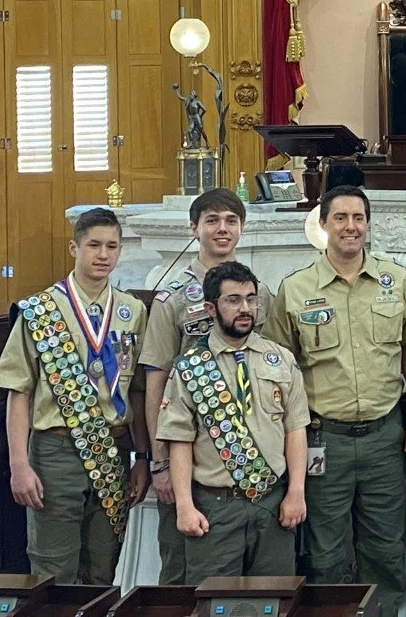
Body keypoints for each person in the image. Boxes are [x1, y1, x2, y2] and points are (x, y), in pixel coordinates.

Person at [262, 185, 406, 617]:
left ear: (368, 225)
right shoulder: (295, 289)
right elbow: (277, 367)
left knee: (387, 549)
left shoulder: (397, 281)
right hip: (321, 439)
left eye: (358, 219)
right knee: (325, 553)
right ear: (324, 224)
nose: (351, 227)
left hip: (384, 437)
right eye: (341, 218)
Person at [0, 207, 150, 584]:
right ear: (73, 247)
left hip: (113, 449)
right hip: (56, 452)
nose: (103, 254)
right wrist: (18, 464)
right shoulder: (41, 311)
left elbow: (139, 391)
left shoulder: (132, 311)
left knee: (103, 564)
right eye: (93, 244)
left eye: (112, 246)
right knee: (53, 567)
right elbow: (19, 391)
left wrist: (141, 457)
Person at [140, 187, 274, 583]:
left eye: (231, 220)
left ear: (242, 228)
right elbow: (156, 380)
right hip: (191, 453)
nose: (222, 229)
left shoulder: (259, 293)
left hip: (250, 451)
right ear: (193, 227)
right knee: (183, 572)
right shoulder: (174, 298)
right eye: (212, 220)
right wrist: (159, 461)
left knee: (256, 576)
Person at [157, 261, 308, 575]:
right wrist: (184, 505)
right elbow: (180, 440)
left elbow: (295, 430)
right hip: (215, 505)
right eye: (234, 300)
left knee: (274, 601)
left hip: (272, 504)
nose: (245, 308)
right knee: (215, 602)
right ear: (211, 308)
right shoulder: (190, 367)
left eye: (251, 299)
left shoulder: (279, 359)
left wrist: (296, 492)